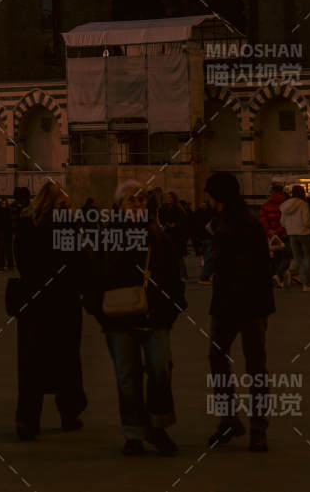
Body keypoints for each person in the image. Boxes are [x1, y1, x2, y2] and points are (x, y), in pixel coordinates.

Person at [85, 180, 186, 457]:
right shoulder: (106, 236)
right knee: (127, 376)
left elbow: (173, 275)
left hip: (154, 316)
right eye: (132, 200)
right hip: (117, 318)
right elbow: (92, 276)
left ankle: (158, 426)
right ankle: (133, 432)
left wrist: (172, 308)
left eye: (141, 200)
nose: (138, 205)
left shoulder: (158, 235)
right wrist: (99, 310)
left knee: (160, 369)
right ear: (119, 206)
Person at [202, 172, 274, 452]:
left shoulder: (230, 224)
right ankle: (257, 427)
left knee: (219, 359)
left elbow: (226, 263)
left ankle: (231, 419)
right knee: (256, 365)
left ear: (218, 196)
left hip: (233, 303)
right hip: (255, 304)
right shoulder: (245, 219)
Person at [12, 182, 86, 440]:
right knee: (66, 358)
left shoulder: (25, 226)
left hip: (32, 300)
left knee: (30, 361)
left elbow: (20, 260)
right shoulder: (66, 226)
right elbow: (77, 261)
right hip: (62, 301)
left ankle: (27, 420)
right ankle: (69, 413)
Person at [279, 185, 310, 290]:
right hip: (304, 233)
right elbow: (306, 221)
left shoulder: (285, 205)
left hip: (291, 233)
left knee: (296, 257)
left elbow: (282, 222)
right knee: (307, 258)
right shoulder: (303, 204)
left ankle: (289, 272)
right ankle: (307, 284)